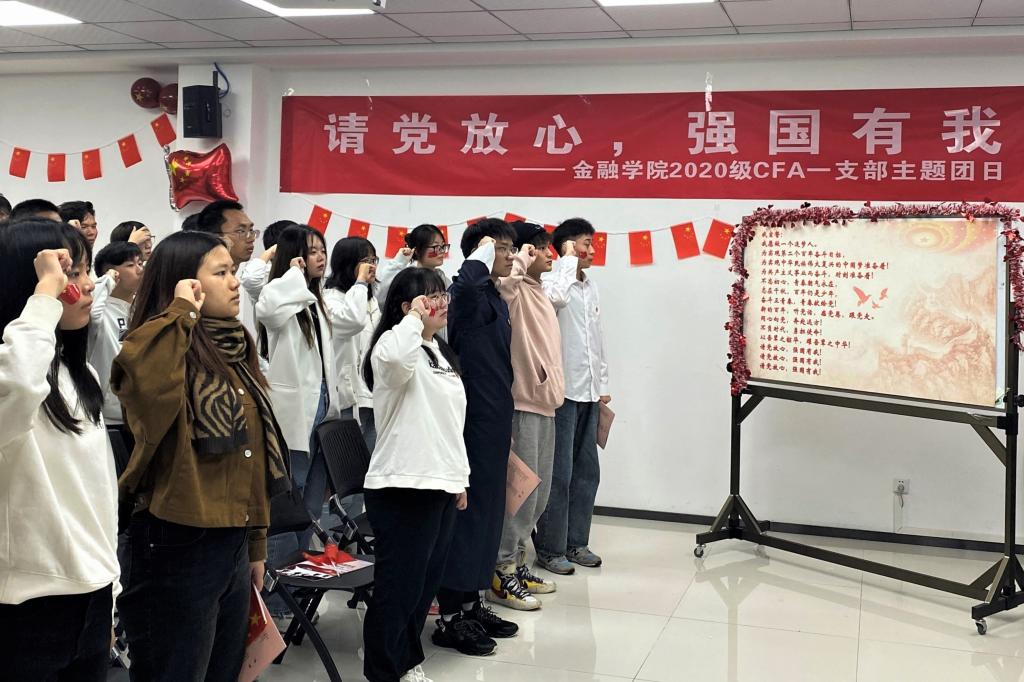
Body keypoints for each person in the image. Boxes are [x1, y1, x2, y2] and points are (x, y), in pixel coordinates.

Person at [111, 231, 289, 682]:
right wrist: (181, 312)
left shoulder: (233, 347)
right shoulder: (156, 348)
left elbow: (250, 458)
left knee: (222, 671)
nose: (235, 282)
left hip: (231, 540)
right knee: (175, 670)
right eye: (221, 272)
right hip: (178, 541)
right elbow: (148, 395)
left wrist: (255, 544)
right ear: (185, 283)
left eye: (233, 271)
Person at [0, 220, 119, 682]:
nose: (87, 285)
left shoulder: (78, 374)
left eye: (85, 271)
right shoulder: (17, 376)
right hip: (25, 609)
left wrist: (110, 588)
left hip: (90, 597)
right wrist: (47, 293)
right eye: (72, 273)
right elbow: (17, 384)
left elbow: (100, 495)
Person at [361, 267, 469, 682]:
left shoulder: (439, 351)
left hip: (440, 481)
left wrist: (460, 478)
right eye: (430, 297)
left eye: (442, 294)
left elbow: (450, 421)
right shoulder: (393, 344)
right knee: (399, 587)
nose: (441, 303)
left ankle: (405, 660)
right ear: (407, 307)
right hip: (402, 484)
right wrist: (411, 320)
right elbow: (393, 361)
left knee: (423, 587)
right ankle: (383, 670)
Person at [432, 218, 518, 656]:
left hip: (495, 417)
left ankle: (472, 602)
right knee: (467, 517)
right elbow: (465, 283)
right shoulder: (466, 293)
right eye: (502, 248)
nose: (510, 256)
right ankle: (450, 617)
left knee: (489, 514)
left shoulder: (494, 296)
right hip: (472, 420)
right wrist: (481, 252)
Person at [255, 225, 339, 620]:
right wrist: (291, 274)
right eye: (312, 251)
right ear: (294, 257)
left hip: (322, 411)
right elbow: (268, 310)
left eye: (322, 250)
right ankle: (275, 598)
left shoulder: (314, 299)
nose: (320, 257)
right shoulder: (281, 294)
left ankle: (299, 584)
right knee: (288, 505)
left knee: (309, 507)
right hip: (295, 415)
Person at [486, 222, 564, 611]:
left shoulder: (538, 291)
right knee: (519, 495)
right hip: (523, 404)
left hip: (545, 404)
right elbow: (501, 286)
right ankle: (500, 573)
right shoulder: (513, 290)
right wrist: (518, 260)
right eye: (542, 248)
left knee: (539, 495)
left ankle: (517, 564)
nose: (550, 255)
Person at [535, 218, 611, 574]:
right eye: (585, 244)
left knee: (587, 473)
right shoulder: (551, 281)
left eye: (592, 243)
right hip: (561, 394)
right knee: (559, 475)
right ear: (567, 246)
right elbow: (556, 300)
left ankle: (576, 542)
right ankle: (550, 549)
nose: (592, 250)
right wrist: (565, 260)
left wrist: (603, 385)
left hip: (590, 392)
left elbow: (597, 340)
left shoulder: (590, 287)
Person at [324, 236, 380, 456]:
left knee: (370, 463)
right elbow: (353, 321)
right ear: (347, 263)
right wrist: (360, 283)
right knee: (349, 464)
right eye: (366, 261)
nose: (371, 266)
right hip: (348, 396)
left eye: (374, 260)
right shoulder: (330, 299)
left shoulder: (369, 299)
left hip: (373, 394)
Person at [88, 241, 144, 450]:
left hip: (141, 415)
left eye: (140, 263)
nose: (140, 270)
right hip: (111, 420)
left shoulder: (141, 309)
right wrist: (107, 281)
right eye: (130, 265)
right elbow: (93, 315)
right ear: (113, 273)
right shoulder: (101, 311)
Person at [376, 224, 452, 306]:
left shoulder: (441, 277)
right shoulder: (407, 277)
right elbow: (381, 297)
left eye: (443, 246)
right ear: (417, 250)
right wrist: (399, 262)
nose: (442, 251)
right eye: (436, 246)